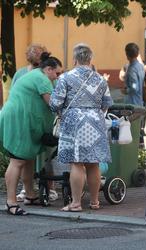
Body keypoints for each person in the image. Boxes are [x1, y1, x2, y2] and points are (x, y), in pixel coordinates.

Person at [49, 43, 113, 212]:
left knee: (77, 163)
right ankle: (94, 202)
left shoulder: (65, 78)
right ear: (90, 59)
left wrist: (61, 111)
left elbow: (55, 103)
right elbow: (107, 103)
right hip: (96, 121)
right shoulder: (100, 79)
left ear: (74, 59)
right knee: (93, 163)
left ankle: (76, 203)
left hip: (74, 122)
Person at [0, 52, 62, 215]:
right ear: (48, 69)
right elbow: (53, 105)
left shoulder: (36, 75)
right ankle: (11, 203)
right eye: (57, 73)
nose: (57, 77)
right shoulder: (42, 79)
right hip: (18, 122)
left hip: (22, 121)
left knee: (28, 159)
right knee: (17, 162)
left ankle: (30, 195)